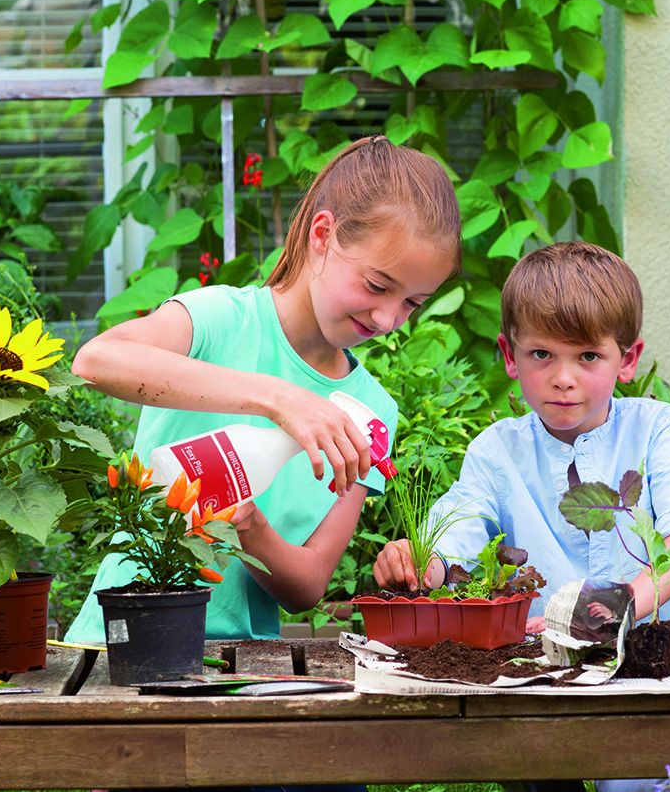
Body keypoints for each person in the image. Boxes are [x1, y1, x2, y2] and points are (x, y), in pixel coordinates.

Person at [66, 135, 460, 643]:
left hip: (243, 665)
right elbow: (95, 361)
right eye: (377, 286)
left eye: (412, 303)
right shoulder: (220, 320)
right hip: (117, 642)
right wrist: (277, 398)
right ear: (323, 235)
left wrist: (248, 526)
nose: (388, 319)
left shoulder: (369, 413)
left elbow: (307, 586)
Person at [372, 241, 670, 792]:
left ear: (627, 359)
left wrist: (623, 605)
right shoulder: (498, 451)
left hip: (651, 660)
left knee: (651, 775)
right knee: (536, 759)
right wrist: (423, 563)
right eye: (542, 354)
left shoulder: (655, 428)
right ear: (510, 355)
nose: (564, 377)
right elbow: (458, 530)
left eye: (588, 356)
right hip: (544, 672)